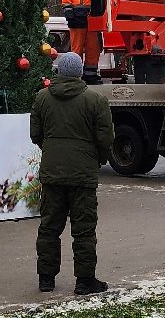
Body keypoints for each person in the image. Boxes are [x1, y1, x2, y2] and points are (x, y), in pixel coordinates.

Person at [30, 51, 114, 295]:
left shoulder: (42, 98)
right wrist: (97, 157)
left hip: (52, 173)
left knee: (49, 227)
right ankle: (84, 280)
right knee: (84, 229)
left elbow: (36, 134)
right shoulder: (95, 101)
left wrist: (52, 149)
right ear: (79, 73)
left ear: (58, 71)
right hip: (83, 174)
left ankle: (46, 279)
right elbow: (106, 138)